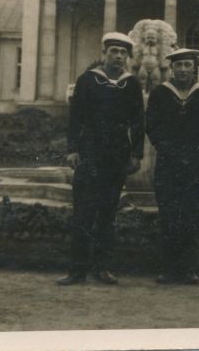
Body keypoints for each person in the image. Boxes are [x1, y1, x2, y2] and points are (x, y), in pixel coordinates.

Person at [57, 32, 145, 286]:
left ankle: (102, 268)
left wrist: (136, 155)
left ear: (128, 57)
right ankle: (77, 271)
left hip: (117, 155)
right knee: (83, 212)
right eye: (114, 51)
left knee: (107, 213)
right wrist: (73, 149)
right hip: (89, 153)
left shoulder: (132, 84)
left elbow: (139, 121)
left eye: (123, 53)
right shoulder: (87, 80)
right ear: (104, 54)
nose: (118, 56)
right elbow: (76, 118)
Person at [146, 48, 199, 285]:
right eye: (179, 66)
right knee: (168, 214)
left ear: (195, 68)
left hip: (194, 162)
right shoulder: (160, 93)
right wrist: (167, 148)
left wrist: (195, 149)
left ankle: (188, 269)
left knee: (190, 213)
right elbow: (152, 126)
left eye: (188, 65)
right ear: (172, 68)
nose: (183, 70)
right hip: (168, 161)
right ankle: (168, 269)